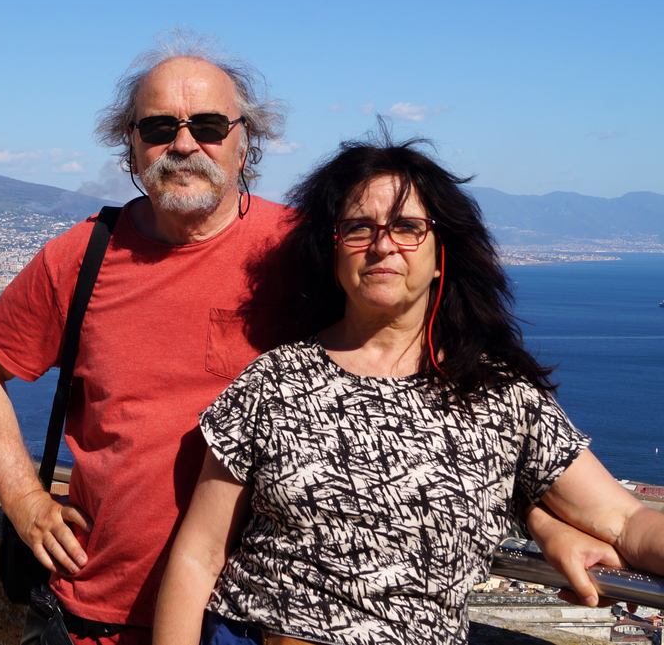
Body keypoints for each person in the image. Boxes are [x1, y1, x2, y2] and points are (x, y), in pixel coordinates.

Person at [153, 131, 664, 645]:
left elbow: (625, 521)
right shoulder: (273, 381)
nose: (381, 246)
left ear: (442, 253)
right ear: (334, 253)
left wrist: (543, 521)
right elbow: (199, 557)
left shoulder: (500, 396)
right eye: (358, 228)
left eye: (407, 227)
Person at [0, 32, 290, 644]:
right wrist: (25, 500)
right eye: (159, 128)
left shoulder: (303, 251)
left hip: (259, 618)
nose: (184, 145)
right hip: (99, 611)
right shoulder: (81, 256)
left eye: (208, 126)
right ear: (130, 146)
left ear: (245, 143)